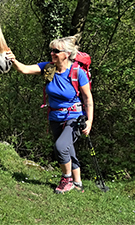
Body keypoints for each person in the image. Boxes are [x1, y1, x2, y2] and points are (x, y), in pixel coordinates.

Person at [6, 35, 93, 194]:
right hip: (55, 117)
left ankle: (66, 179)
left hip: (74, 117)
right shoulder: (49, 68)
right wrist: (13, 59)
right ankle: (78, 183)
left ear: (66, 54)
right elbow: (24, 69)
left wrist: (90, 121)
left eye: (56, 51)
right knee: (67, 148)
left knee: (60, 147)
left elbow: (88, 98)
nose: (52, 53)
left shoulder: (77, 73)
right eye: (51, 50)